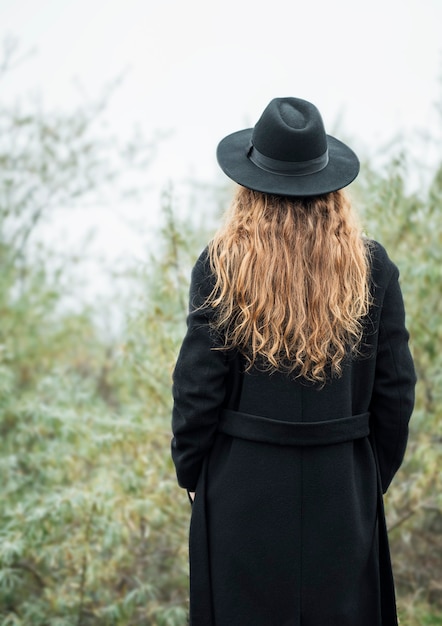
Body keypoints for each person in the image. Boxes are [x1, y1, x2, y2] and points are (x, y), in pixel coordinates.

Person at [171, 97, 416, 626]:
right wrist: (366, 477)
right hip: (342, 493)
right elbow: (396, 396)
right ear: (330, 185)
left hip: (240, 491)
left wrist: (191, 471)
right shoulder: (373, 269)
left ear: (248, 184)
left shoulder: (221, 266)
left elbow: (196, 391)